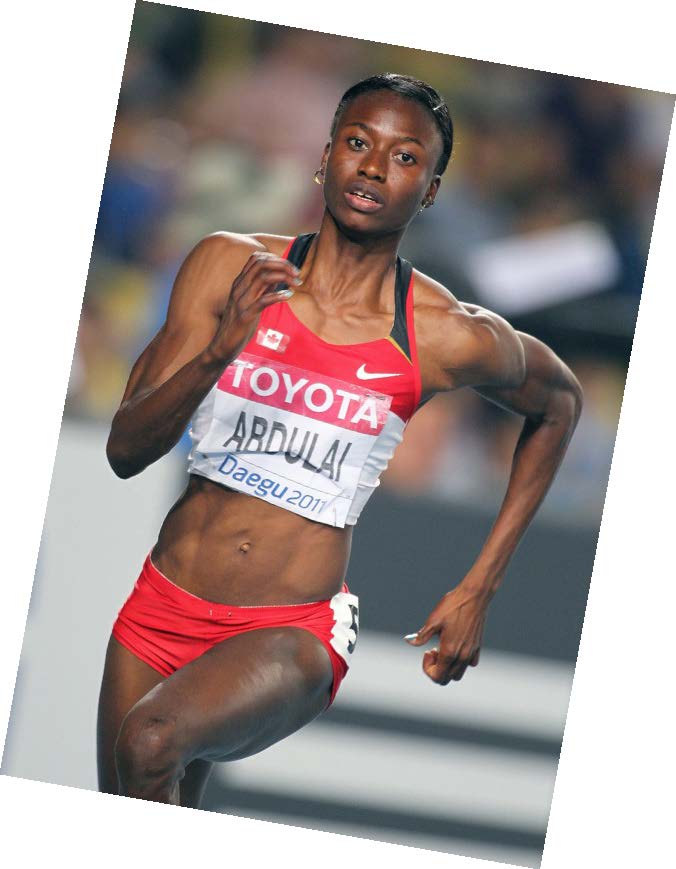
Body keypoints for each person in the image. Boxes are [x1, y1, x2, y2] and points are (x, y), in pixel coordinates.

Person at [97, 73, 583, 807]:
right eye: (358, 143)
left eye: (405, 157)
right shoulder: (227, 266)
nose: (373, 166)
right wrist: (217, 350)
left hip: (289, 632)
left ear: (431, 191)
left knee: (149, 741)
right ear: (325, 158)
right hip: (157, 606)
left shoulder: (443, 332)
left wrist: (480, 583)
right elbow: (124, 451)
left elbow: (560, 404)